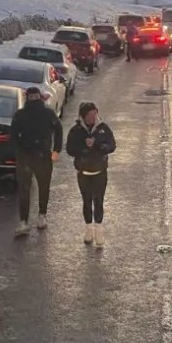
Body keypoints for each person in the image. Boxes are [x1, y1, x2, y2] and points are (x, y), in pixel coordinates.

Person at [9, 87, 63, 236]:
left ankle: (42, 215)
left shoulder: (48, 113)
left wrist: (56, 149)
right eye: (31, 97)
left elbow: (58, 129)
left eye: (36, 96)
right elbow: (13, 134)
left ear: (40, 97)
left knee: (44, 186)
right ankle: (23, 221)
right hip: (25, 156)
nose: (33, 99)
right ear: (27, 98)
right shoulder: (20, 115)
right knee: (24, 190)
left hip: (44, 156)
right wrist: (17, 150)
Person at [65, 102, 116, 247]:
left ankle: (99, 231)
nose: (93, 117)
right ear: (83, 116)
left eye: (95, 113)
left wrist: (98, 145)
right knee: (86, 201)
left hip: (100, 171)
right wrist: (83, 147)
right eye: (90, 114)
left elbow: (111, 146)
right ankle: (88, 230)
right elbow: (69, 149)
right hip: (83, 172)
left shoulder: (103, 129)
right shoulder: (76, 131)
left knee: (98, 201)